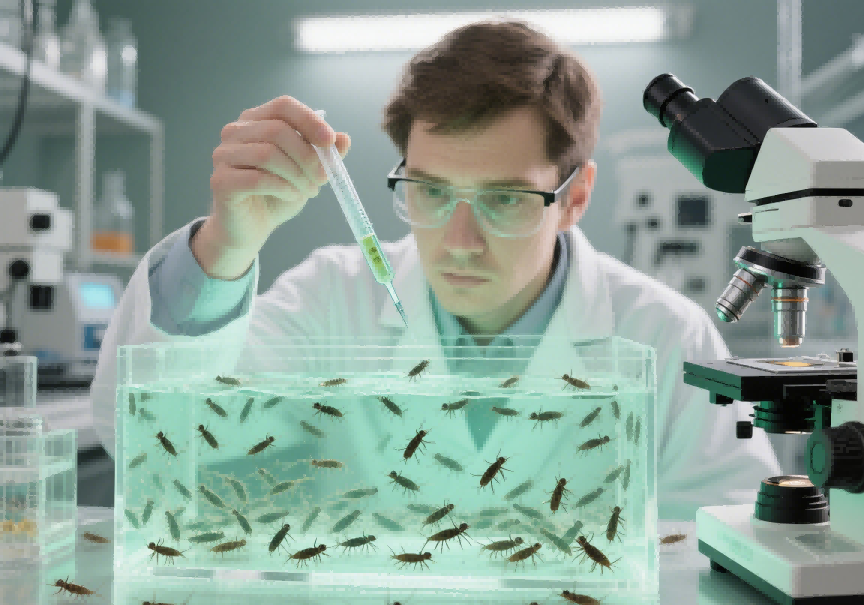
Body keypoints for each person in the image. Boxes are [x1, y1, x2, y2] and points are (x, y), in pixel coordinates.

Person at [91, 20, 781, 521]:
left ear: (574, 197)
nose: (457, 241)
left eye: (506, 200)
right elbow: (156, 451)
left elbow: (724, 558)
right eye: (430, 191)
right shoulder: (334, 298)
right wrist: (225, 246)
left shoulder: (668, 340)